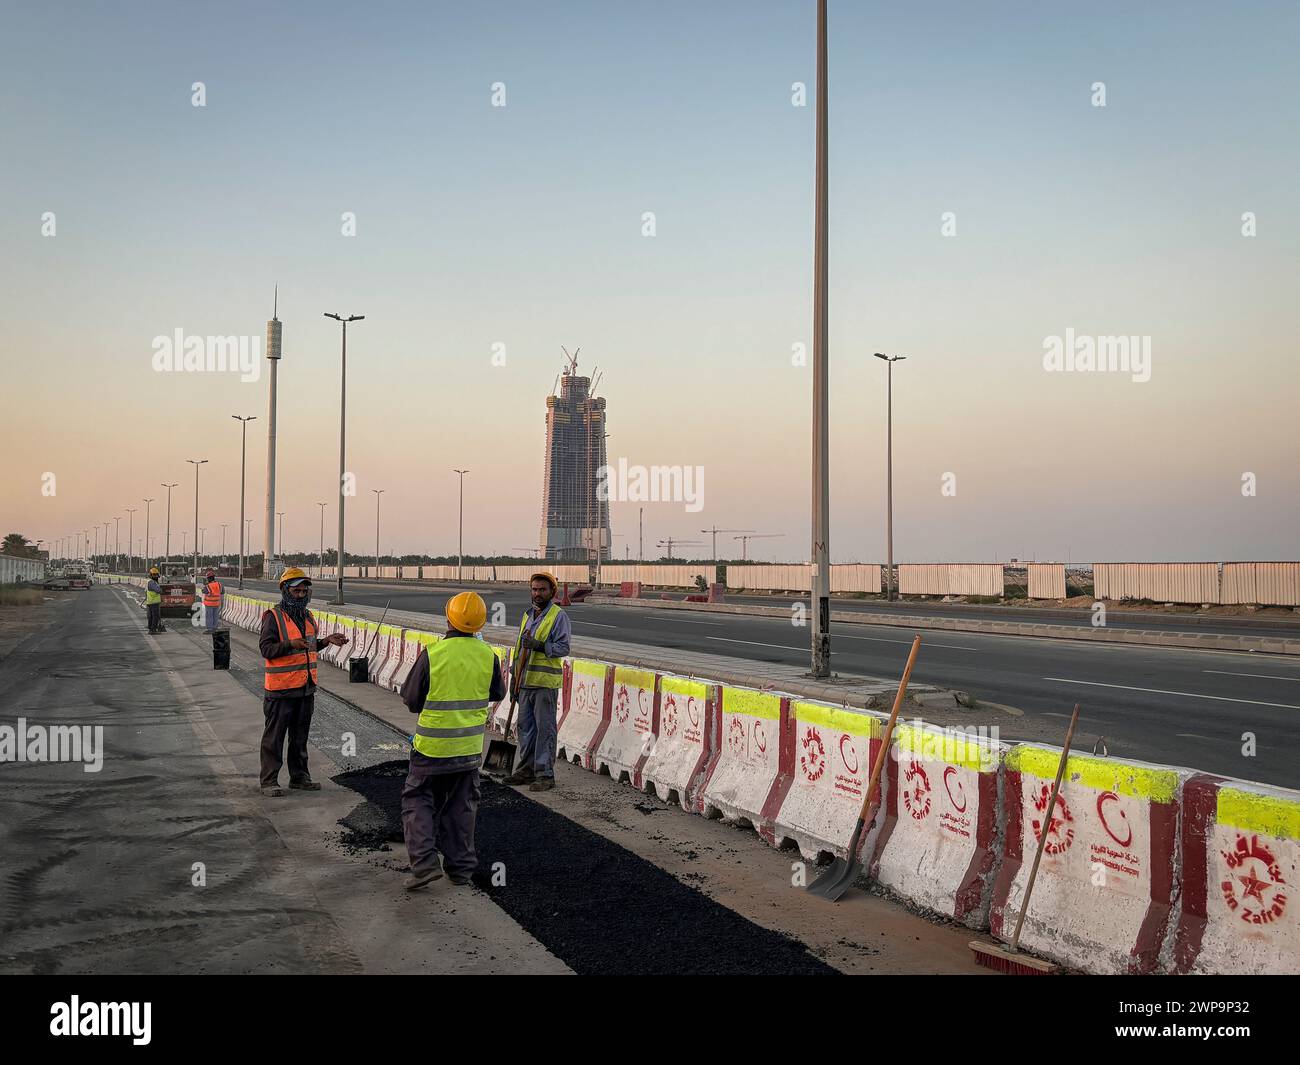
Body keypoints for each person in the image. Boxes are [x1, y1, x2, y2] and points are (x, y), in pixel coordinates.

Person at [398, 590, 505, 889]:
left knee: (417, 799)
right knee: (462, 806)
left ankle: (424, 863)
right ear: (480, 624)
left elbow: (411, 699)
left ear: (448, 618)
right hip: (469, 750)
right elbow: (497, 693)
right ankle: (460, 869)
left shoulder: (433, 654)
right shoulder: (489, 656)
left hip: (432, 749)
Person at [257, 567, 347, 797]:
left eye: (304, 591)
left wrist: (326, 641)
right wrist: (290, 645)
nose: (300, 595)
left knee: (299, 738)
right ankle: (269, 781)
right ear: (285, 591)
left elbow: (308, 646)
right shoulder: (273, 617)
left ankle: (299, 777)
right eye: (296, 591)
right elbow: (266, 649)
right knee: (274, 737)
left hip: (305, 688)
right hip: (281, 690)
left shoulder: (307, 617)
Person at [503, 571, 570, 793]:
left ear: (552, 592)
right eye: (534, 589)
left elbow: (563, 647)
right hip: (525, 682)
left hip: (544, 684)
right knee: (526, 729)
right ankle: (526, 769)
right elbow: (519, 649)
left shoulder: (558, 616)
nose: (537, 593)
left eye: (542, 589)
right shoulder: (527, 615)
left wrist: (540, 645)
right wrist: (515, 678)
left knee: (545, 730)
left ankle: (545, 774)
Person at [145, 566, 164, 634]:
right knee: (155, 616)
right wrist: (160, 589)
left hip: (150, 602)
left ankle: (150, 629)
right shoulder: (152, 582)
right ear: (151, 575)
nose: (156, 576)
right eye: (154, 575)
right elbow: (158, 590)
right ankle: (153, 630)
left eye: (156, 574)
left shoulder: (150, 582)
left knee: (151, 616)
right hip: (153, 602)